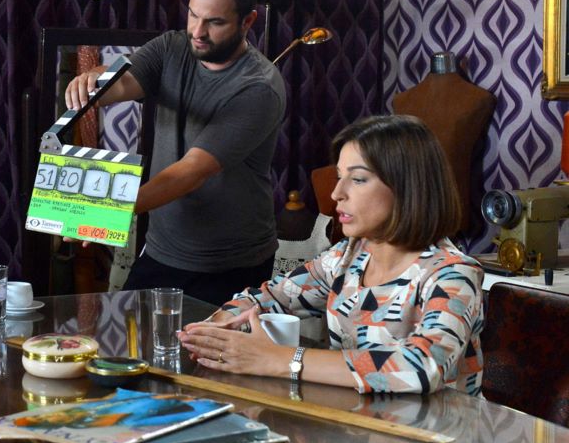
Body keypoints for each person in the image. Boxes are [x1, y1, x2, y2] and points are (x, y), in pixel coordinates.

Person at [178, 115, 485, 395]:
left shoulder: (453, 273)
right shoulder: (346, 257)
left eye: (358, 179)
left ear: (408, 187)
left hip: (439, 435)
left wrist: (279, 359)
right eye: (339, 176)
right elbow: (268, 297)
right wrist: (218, 329)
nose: (337, 193)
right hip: (359, 427)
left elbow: (422, 367)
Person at [64, 0, 286, 306]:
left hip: (231, 264)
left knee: (205, 344)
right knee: (125, 337)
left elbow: (191, 172)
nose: (198, 31)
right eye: (193, 15)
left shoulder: (259, 88)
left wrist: (108, 210)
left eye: (215, 22)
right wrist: (95, 83)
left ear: (248, 22)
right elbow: (125, 81)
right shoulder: (172, 46)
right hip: (162, 251)